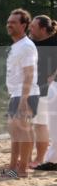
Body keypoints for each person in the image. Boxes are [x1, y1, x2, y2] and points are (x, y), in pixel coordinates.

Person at [4, 9, 40, 178]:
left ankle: (23, 169)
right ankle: (13, 167)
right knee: (15, 132)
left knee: (23, 131)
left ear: (24, 25)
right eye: (8, 22)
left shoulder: (26, 46)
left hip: (26, 94)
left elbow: (29, 74)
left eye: (13, 22)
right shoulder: (16, 46)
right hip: (16, 93)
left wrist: (24, 99)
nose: (9, 25)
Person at [29, 15, 57, 170]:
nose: (30, 29)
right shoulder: (31, 42)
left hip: (48, 89)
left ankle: (40, 159)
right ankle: (40, 158)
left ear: (43, 29)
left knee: (41, 125)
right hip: (31, 87)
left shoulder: (54, 42)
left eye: (33, 26)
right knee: (37, 125)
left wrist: (53, 75)